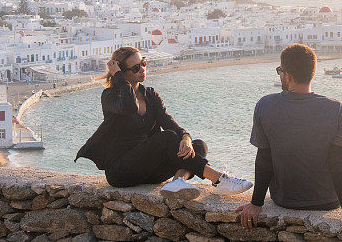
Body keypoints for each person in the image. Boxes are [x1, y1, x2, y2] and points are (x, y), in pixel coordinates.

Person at [76, 46, 252, 199]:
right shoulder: (110, 96)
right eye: (136, 68)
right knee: (167, 138)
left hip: (148, 170)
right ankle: (219, 179)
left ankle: (178, 182)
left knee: (197, 146)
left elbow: (168, 122)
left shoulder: (150, 94)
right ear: (122, 72)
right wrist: (119, 79)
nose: (142, 69)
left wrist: (186, 138)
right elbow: (129, 107)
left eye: (143, 63)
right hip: (121, 171)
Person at [237, 44, 342, 235]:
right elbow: (339, 163)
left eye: (280, 71)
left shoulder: (265, 106)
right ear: (312, 73)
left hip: (284, 200)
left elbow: (264, 159)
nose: (280, 76)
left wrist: (256, 203)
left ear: (288, 75)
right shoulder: (337, 109)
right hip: (327, 202)